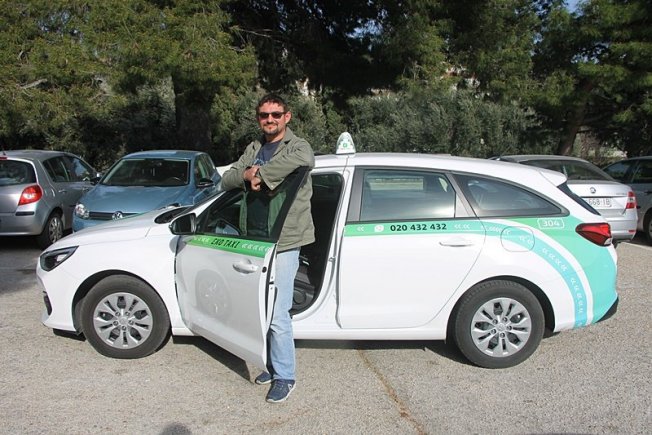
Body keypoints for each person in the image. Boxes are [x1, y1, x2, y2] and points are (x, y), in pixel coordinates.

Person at [220, 93, 315, 403]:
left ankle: (285, 376)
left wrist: (260, 174)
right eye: (264, 115)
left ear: (287, 116)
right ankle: (272, 366)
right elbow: (227, 179)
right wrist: (246, 175)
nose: (270, 120)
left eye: (276, 114)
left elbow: (306, 160)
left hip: (284, 240)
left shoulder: (298, 146)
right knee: (260, 307)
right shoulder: (254, 147)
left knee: (277, 312)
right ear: (258, 118)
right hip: (255, 238)